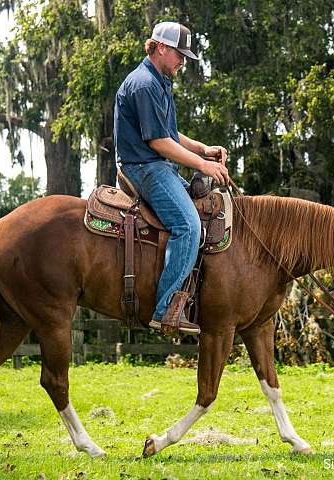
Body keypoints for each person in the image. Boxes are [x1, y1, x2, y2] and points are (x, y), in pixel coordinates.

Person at [113, 21, 230, 335]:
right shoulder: (143, 84)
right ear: (161, 48)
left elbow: (170, 133)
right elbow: (159, 143)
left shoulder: (158, 81)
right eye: (180, 54)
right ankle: (166, 309)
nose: (182, 61)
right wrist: (204, 166)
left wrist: (203, 149)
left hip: (160, 166)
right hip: (145, 167)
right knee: (188, 225)